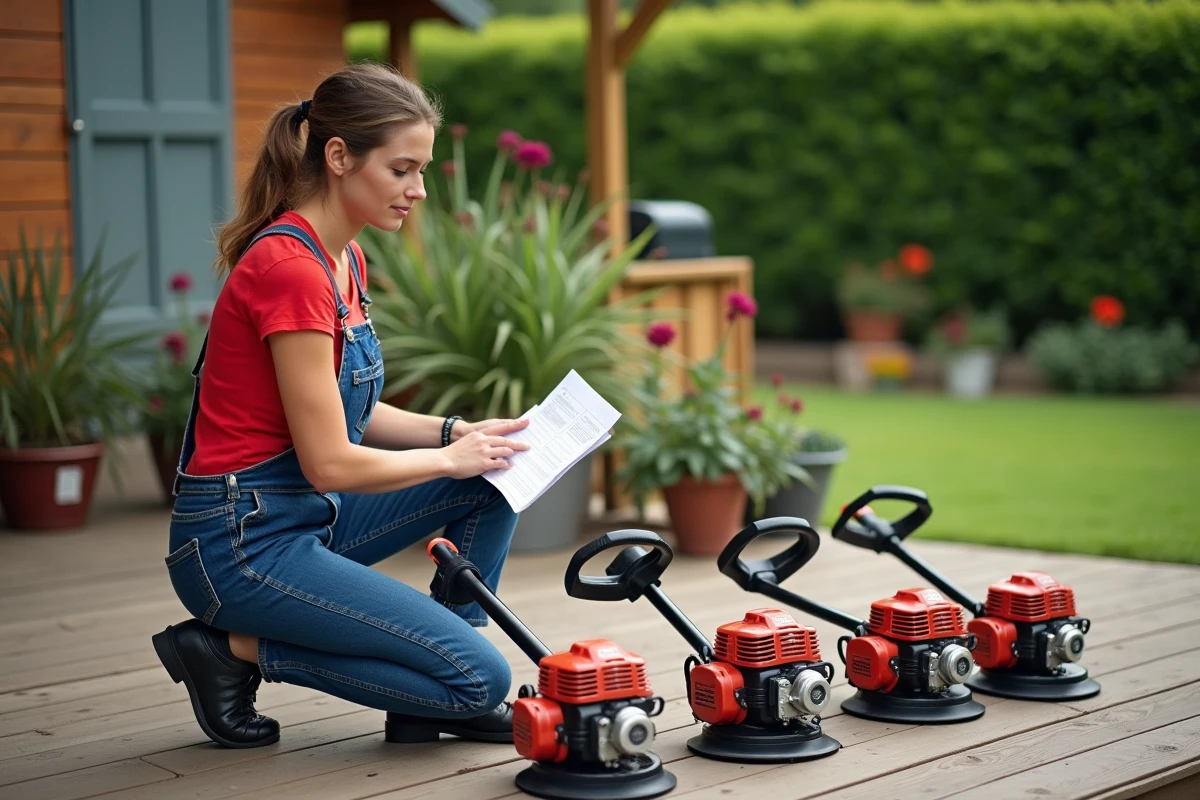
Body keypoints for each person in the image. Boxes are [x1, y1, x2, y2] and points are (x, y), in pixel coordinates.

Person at [151, 63, 530, 750]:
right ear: (338, 157)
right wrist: (445, 456)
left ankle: (436, 685)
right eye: (402, 169)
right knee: (481, 680)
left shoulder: (342, 259)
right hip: (241, 543)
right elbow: (329, 461)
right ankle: (229, 650)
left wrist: (459, 434)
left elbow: (356, 413)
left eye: (422, 171)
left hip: (303, 516)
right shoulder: (290, 270)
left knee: (493, 475)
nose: (417, 191)